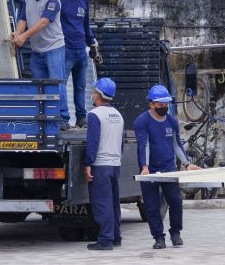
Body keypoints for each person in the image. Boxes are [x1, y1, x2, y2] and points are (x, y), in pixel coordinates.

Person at [134, 84, 201, 249]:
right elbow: (145, 145)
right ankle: (158, 237)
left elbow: (176, 144)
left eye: (166, 104)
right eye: (160, 104)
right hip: (149, 171)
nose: (164, 107)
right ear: (151, 104)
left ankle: (175, 232)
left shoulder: (171, 121)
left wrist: (187, 163)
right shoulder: (142, 121)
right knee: (151, 206)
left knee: (176, 202)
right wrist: (145, 166)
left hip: (169, 168)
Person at [12, 0, 70, 131]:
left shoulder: (53, 1)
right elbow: (23, 19)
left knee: (57, 83)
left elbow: (44, 22)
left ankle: (63, 118)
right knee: (39, 85)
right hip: (37, 51)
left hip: (54, 48)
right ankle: (43, 117)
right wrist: (17, 32)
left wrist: (24, 36)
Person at [56, 0, 99, 128]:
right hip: (65, 49)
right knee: (61, 85)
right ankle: (63, 118)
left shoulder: (84, 0)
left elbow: (86, 24)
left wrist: (92, 44)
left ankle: (81, 118)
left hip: (81, 50)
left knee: (80, 87)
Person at [84, 78, 124, 251]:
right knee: (114, 203)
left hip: (100, 165)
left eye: (94, 91)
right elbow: (121, 143)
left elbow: (92, 142)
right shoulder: (118, 114)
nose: (92, 94)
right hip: (115, 164)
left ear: (98, 94)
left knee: (102, 203)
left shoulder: (95, 115)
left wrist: (88, 163)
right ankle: (115, 236)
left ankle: (105, 240)